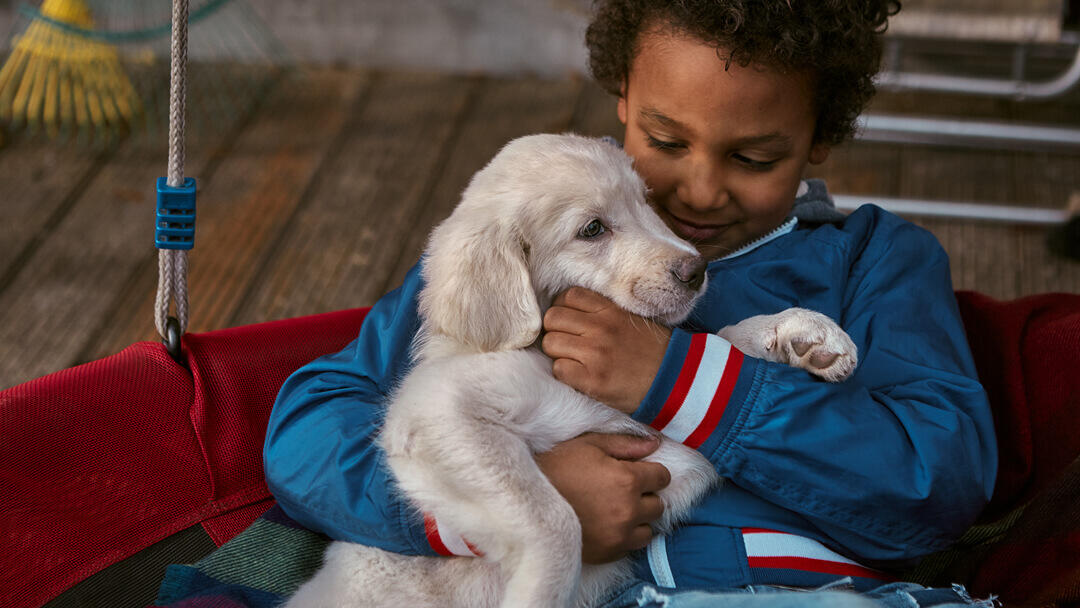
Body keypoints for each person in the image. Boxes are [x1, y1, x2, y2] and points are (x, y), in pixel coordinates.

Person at [263, 1, 999, 606]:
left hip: (772, 589)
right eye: (665, 140)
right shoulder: (533, 247)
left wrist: (681, 381)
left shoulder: (874, 260)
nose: (701, 190)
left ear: (820, 140)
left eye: (754, 159)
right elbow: (307, 429)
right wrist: (510, 512)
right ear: (623, 99)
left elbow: (937, 480)